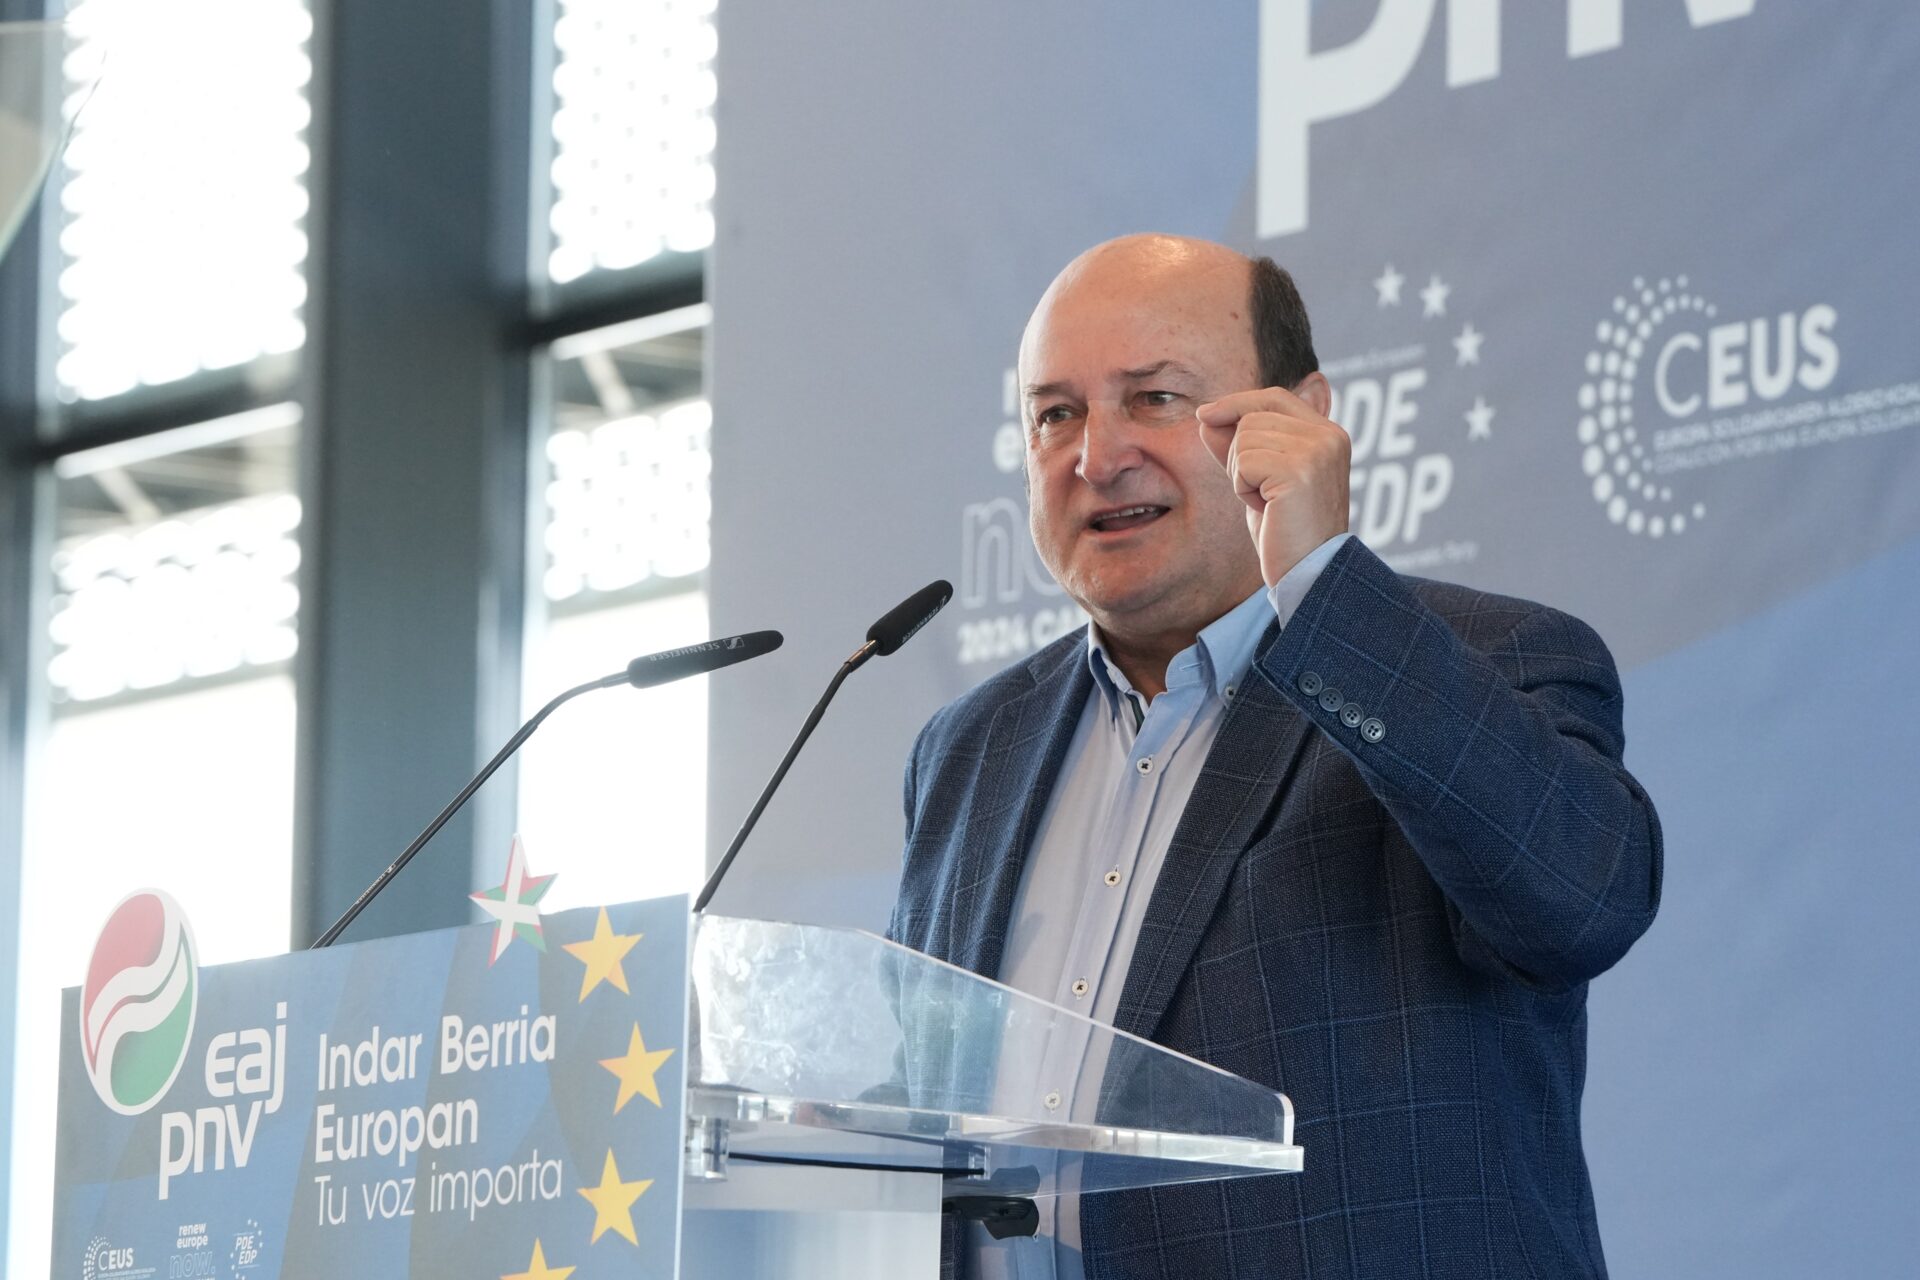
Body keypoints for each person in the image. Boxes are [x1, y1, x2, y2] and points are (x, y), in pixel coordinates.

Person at [888, 234, 1662, 1279]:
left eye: (1155, 398)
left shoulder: (1493, 659)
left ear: (1303, 422)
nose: (1096, 456)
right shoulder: (968, 748)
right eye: (1055, 413)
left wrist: (1325, 584)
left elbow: (1585, 898)